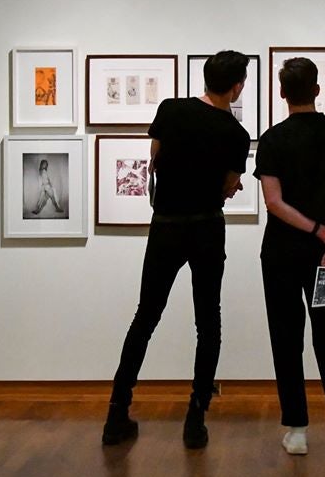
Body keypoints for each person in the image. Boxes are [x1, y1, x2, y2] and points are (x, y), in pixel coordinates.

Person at [102, 51, 252, 449]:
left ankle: (117, 411)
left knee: (145, 316)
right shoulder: (236, 134)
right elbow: (227, 185)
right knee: (209, 323)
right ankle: (195, 418)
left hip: (166, 226)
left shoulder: (170, 109)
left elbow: (155, 160)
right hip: (205, 228)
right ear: (237, 86)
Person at [254, 57, 325, 455]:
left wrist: (319, 232)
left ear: (282, 93)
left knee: (286, 337)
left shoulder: (271, 140)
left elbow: (274, 202)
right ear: (317, 90)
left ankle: (297, 430)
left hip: (281, 253)